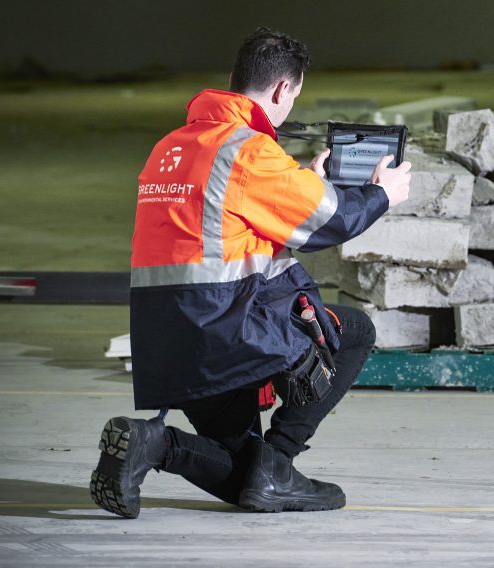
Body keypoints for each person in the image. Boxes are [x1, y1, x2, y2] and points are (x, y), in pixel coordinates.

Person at [90, 27, 411, 518]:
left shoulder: (172, 146)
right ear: (284, 89)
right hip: (226, 332)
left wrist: (302, 183)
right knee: (355, 332)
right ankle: (279, 463)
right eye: (293, 96)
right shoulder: (249, 151)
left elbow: (224, 226)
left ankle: (151, 443)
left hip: (167, 341)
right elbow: (334, 220)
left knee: (242, 473)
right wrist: (383, 192)